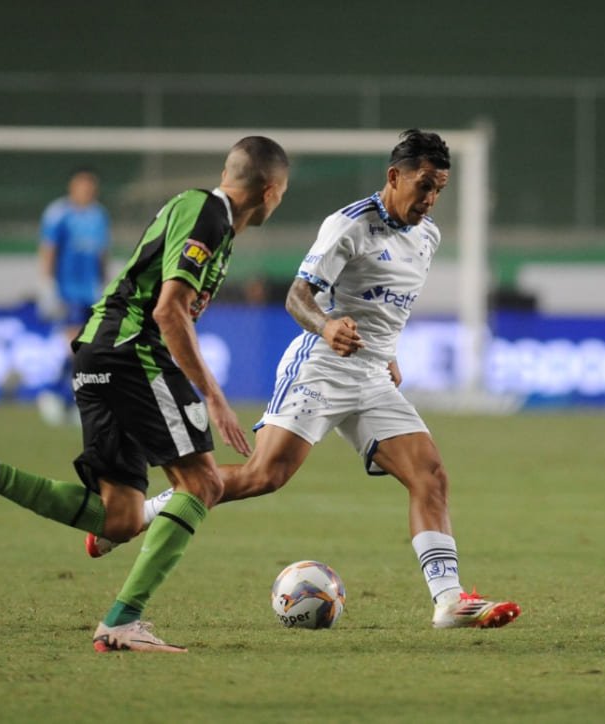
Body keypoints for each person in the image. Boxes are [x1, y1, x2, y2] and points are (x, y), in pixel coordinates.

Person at [88, 130, 521, 630]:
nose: (429, 200)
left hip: (372, 375)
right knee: (263, 476)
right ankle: (143, 513)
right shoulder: (348, 226)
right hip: (321, 365)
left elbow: (386, 306)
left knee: (431, 475)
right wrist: (327, 325)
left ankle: (449, 601)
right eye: (423, 185)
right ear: (394, 176)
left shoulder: (428, 236)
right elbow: (297, 296)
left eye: (439, 189)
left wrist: (389, 353)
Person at [0, 136, 291, 652]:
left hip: (99, 352)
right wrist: (215, 398)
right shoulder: (208, 214)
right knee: (202, 484)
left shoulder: (202, 214)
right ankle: (122, 621)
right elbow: (168, 310)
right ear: (271, 190)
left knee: (122, 518)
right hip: (132, 350)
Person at [36, 166, 110, 426]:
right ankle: (59, 396)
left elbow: (101, 253)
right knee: (78, 347)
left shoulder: (99, 215)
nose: (87, 191)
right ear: (72, 187)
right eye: (83, 185)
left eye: (91, 186)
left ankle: (66, 399)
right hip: (67, 291)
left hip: (91, 292)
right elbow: (49, 250)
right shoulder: (59, 214)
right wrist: (47, 284)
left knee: (88, 348)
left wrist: (105, 285)